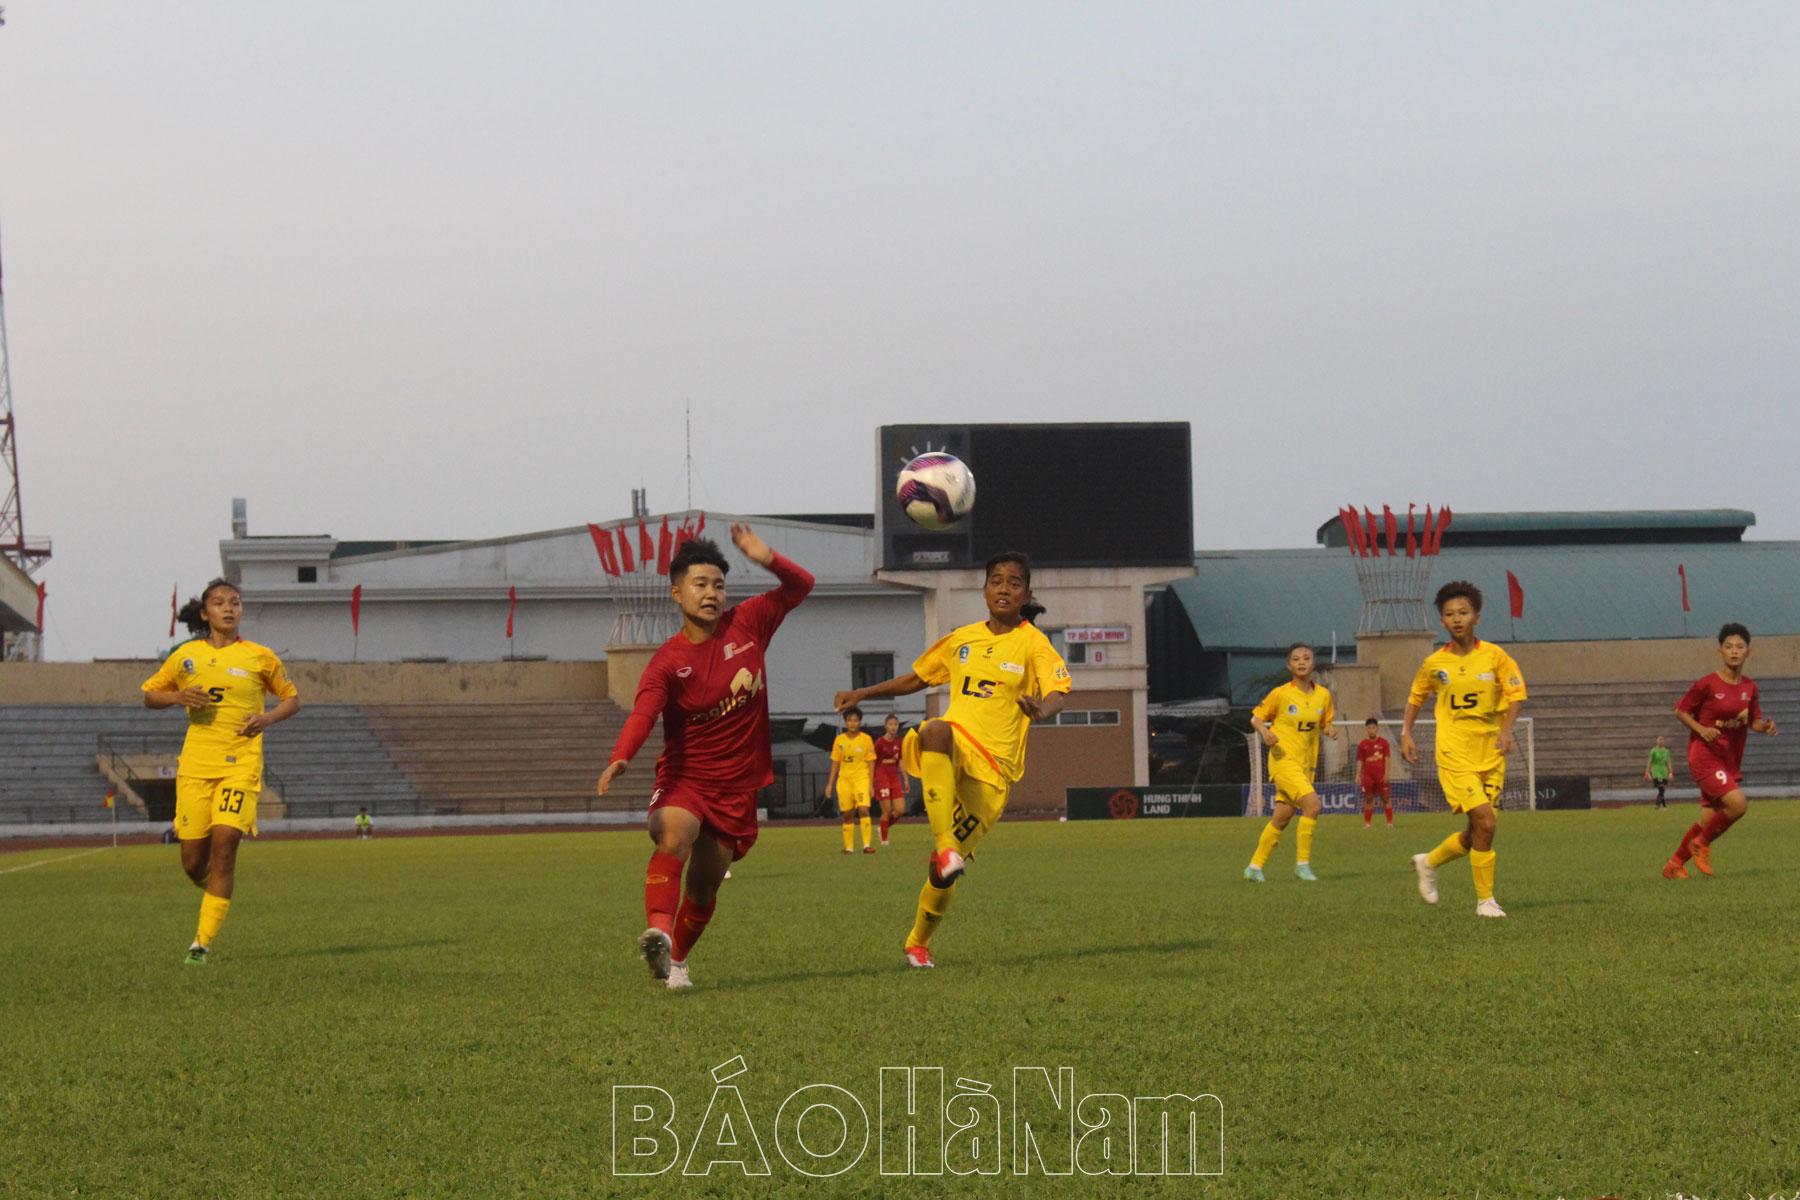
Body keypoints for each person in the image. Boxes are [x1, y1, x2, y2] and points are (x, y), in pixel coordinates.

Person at [597, 525, 813, 990]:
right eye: (700, 584)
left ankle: (674, 961)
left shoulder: (750, 622)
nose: (711, 593)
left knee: (704, 888)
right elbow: (644, 713)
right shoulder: (667, 662)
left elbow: (802, 586)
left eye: (718, 584)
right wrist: (621, 756)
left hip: (737, 787)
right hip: (686, 779)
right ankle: (658, 928)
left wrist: (765, 555)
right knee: (674, 834)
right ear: (676, 593)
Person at [833, 552, 1070, 968]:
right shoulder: (963, 638)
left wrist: (1042, 710)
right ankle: (945, 846)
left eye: (1014, 583)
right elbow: (918, 676)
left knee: (940, 876)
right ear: (984, 589)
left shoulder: (1034, 643)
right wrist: (862, 694)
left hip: (994, 772)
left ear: (1026, 594)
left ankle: (918, 942)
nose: (1003, 588)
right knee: (934, 729)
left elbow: (1058, 690)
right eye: (996, 580)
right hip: (957, 741)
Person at [140, 578, 301, 965]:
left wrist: (265, 718)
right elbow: (149, 695)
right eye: (219, 603)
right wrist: (178, 696)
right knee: (193, 862)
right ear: (205, 612)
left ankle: (201, 944)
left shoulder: (260, 657)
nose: (228, 608)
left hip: (240, 765)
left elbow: (292, 699)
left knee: (225, 846)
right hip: (195, 767)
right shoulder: (186, 656)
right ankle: (213, 888)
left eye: (235, 602)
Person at [1404, 581, 1526, 918]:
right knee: (1486, 822)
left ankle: (1428, 862)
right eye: (1449, 614)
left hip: (1491, 753)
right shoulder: (1433, 664)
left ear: (1477, 617)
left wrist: (1505, 732)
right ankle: (1485, 901)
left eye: (1463, 612)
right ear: (1442, 621)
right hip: (1454, 752)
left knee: (1477, 833)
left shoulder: (1495, 656)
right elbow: (1416, 697)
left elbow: (1516, 696)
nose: (1457, 619)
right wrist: (1406, 734)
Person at [1663, 623, 1778, 879]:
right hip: (1704, 755)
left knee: (1708, 821)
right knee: (1738, 805)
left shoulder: (1750, 688)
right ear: (1720, 652)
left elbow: (1753, 721)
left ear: (1749, 651)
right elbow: (1680, 710)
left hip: (1729, 759)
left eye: (1739, 647)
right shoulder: (1707, 684)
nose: (1734, 651)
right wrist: (1702, 730)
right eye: (1728, 647)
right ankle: (1699, 845)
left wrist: (1766, 726)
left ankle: (1674, 864)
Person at [1244, 643, 1338, 882]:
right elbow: (1256, 719)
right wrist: (1265, 733)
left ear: (1313, 663)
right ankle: (1302, 865)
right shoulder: (1281, 693)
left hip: (1306, 764)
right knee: (1313, 806)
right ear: (1289, 665)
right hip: (1283, 760)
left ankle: (1254, 868)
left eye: (1306, 658)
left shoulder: (1323, 696)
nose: (1302, 662)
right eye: (1296, 659)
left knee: (1281, 818)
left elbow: (1325, 720)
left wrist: (1329, 728)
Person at [825, 707, 878, 854]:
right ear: (845, 722)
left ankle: (867, 845)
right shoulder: (839, 740)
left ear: (859, 722)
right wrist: (829, 784)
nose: (852, 723)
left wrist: (871, 785)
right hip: (844, 781)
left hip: (861, 779)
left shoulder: (866, 739)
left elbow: (871, 762)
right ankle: (849, 847)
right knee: (847, 814)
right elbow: (835, 762)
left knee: (863, 809)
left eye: (855, 720)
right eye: (849, 720)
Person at [873, 713, 908, 845]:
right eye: (890, 724)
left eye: (895, 724)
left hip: (894, 778)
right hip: (882, 778)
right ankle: (884, 839)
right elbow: (873, 762)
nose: (893, 727)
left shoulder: (899, 742)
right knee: (886, 811)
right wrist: (872, 781)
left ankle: (882, 828)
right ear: (886, 726)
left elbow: (900, 761)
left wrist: (905, 779)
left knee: (899, 810)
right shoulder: (880, 742)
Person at [1356, 717, 1394, 828]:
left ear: (1377, 728)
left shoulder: (1384, 743)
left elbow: (1387, 759)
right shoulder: (1363, 744)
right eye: (1369, 728)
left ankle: (1389, 823)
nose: (1371, 730)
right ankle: (1367, 824)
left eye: (1373, 728)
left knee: (1385, 798)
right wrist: (1358, 775)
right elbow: (1360, 760)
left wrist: (1387, 773)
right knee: (1368, 799)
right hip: (1368, 776)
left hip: (1381, 775)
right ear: (1366, 729)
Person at [1645, 736, 1672, 809]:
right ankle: (1657, 804)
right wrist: (1647, 772)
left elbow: (1668, 762)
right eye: (1659, 739)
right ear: (1656, 741)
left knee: (1662, 789)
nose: (1661, 741)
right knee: (1661, 787)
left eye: (1662, 739)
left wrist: (1670, 772)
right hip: (1656, 770)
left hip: (1664, 771)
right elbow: (1650, 762)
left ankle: (1664, 806)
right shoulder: (1653, 751)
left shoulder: (1666, 751)